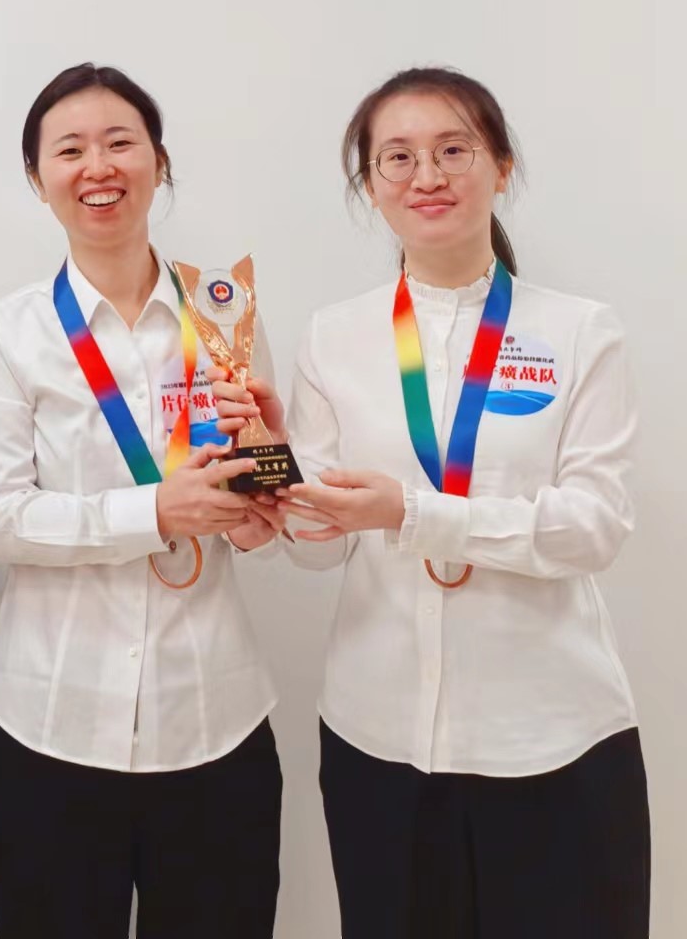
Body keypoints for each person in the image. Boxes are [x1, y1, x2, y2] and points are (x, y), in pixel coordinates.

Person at [263, 66, 650, 938]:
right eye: (397, 158)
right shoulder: (335, 334)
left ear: (501, 166)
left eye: (452, 150)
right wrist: (282, 482)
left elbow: (594, 528)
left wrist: (414, 512)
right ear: (370, 185)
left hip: (552, 738)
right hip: (379, 740)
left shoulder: (579, 331)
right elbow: (320, 550)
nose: (426, 176)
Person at [0, 63, 287, 939]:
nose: (97, 167)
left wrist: (264, 503)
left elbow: (256, 506)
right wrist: (156, 512)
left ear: (159, 162)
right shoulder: (8, 332)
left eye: (120, 143)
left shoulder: (223, 310)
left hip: (214, 719)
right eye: (69, 150)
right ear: (38, 179)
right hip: (49, 727)